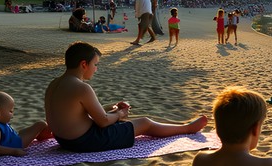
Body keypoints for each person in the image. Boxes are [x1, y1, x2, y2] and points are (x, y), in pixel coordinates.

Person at [44, 41, 207, 152]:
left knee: (123, 120)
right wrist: (120, 113)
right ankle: (187, 129)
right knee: (145, 123)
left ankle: (180, 125)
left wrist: (113, 107)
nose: (96, 69)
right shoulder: (82, 88)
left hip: (63, 139)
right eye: (95, 64)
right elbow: (103, 121)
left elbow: (79, 112)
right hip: (83, 142)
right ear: (84, 64)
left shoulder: (54, 84)